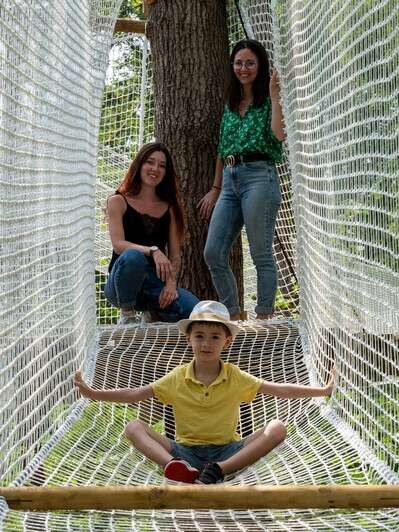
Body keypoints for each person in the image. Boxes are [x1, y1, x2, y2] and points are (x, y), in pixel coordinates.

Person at [74, 300, 335, 484]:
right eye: (199, 336)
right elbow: (137, 394)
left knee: (277, 427)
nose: (206, 343)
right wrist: (95, 394)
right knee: (133, 427)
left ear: (227, 341)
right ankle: (173, 469)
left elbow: (277, 389)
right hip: (184, 452)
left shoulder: (234, 376)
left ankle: (219, 471)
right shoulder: (178, 376)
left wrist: (321, 391)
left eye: (214, 337)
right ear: (189, 340)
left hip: (228, 451)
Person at [199, 39, 286, 321]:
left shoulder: (268, 100)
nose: (243, 68)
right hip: (229, 180)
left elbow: (278, 136)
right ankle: (233, 317)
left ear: (259, 66)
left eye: (250, 63)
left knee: (260, 253)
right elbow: (222, 149)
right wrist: (215, 187)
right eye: (238, 63)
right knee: (213, 253)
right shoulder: (230, 103)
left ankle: (264, 317)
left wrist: (274, 97)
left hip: (260, 177)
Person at [104, 142, 199, 324]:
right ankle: (127, 315)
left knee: (195, 310)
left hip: (153, 286)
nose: (155, 168)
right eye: (150, 162)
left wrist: (170, 285)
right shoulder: (117, 201)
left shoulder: (170, 208)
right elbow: (118, 245)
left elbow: (175, 255)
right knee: (133, 257)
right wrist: (153, 250)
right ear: (139, 164)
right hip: (120, 284)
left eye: (162, 165)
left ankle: (151, 313)